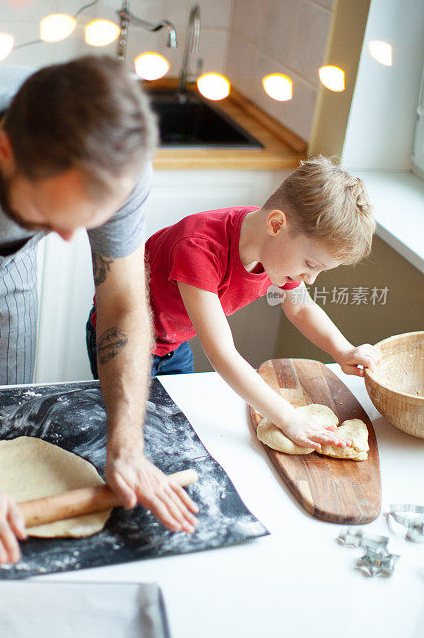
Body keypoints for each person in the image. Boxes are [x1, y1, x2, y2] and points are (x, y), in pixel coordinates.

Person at [0, 56, 198, 568]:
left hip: (0, 295)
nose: (62, 237)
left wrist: (125, 441)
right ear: (6, 149)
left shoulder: (121, 162)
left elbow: (122, 302)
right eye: (49, 216)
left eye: (82, 222)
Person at [88, 158, 381, 451]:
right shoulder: (198, 247)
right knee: (131, 433)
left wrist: (343, 349)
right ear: (276, 224)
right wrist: (287, 418)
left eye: (320, 271)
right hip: (123, 342)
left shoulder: (274, 249)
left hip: (174, 345)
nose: (311, 278)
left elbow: (302, 308)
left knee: (170, 426)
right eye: (310, 264)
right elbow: (221, 353)